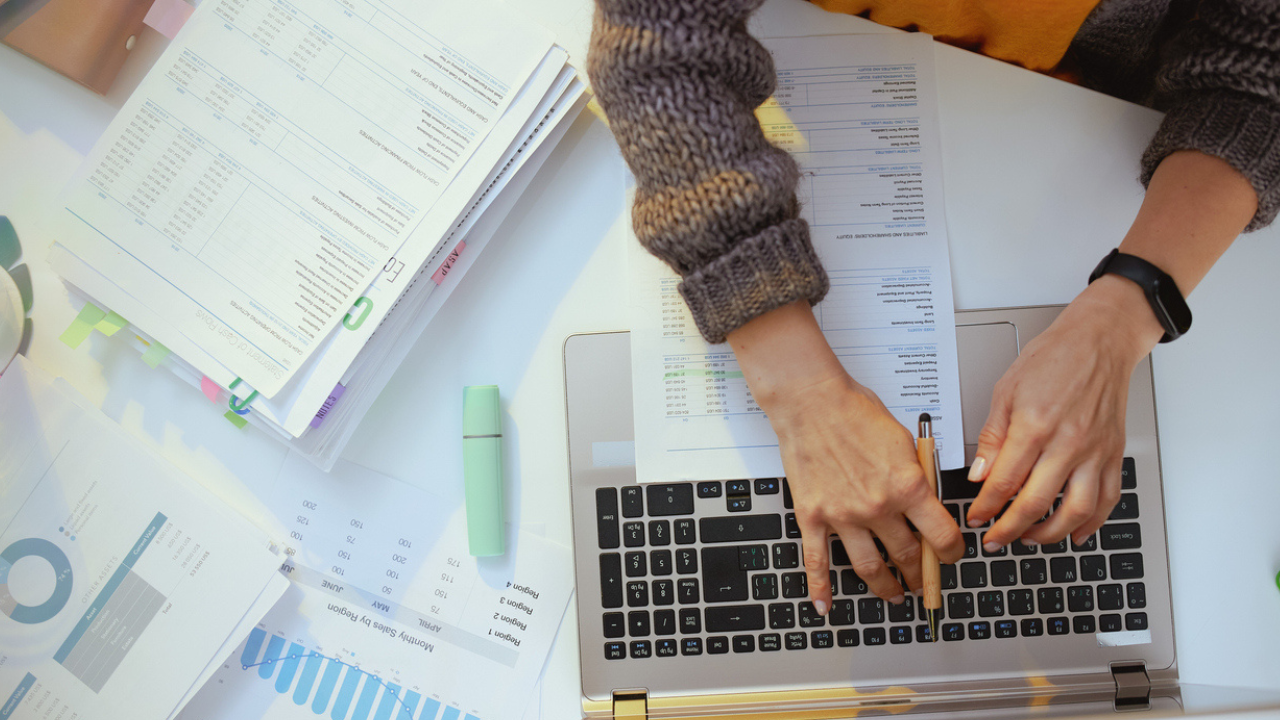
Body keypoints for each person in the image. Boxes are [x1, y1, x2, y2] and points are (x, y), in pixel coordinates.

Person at [587, 0, 1276, 616]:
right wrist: (797, 389)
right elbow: (656, 57)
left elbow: (1259, 75)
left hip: (1080, 144)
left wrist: (1126, 313)